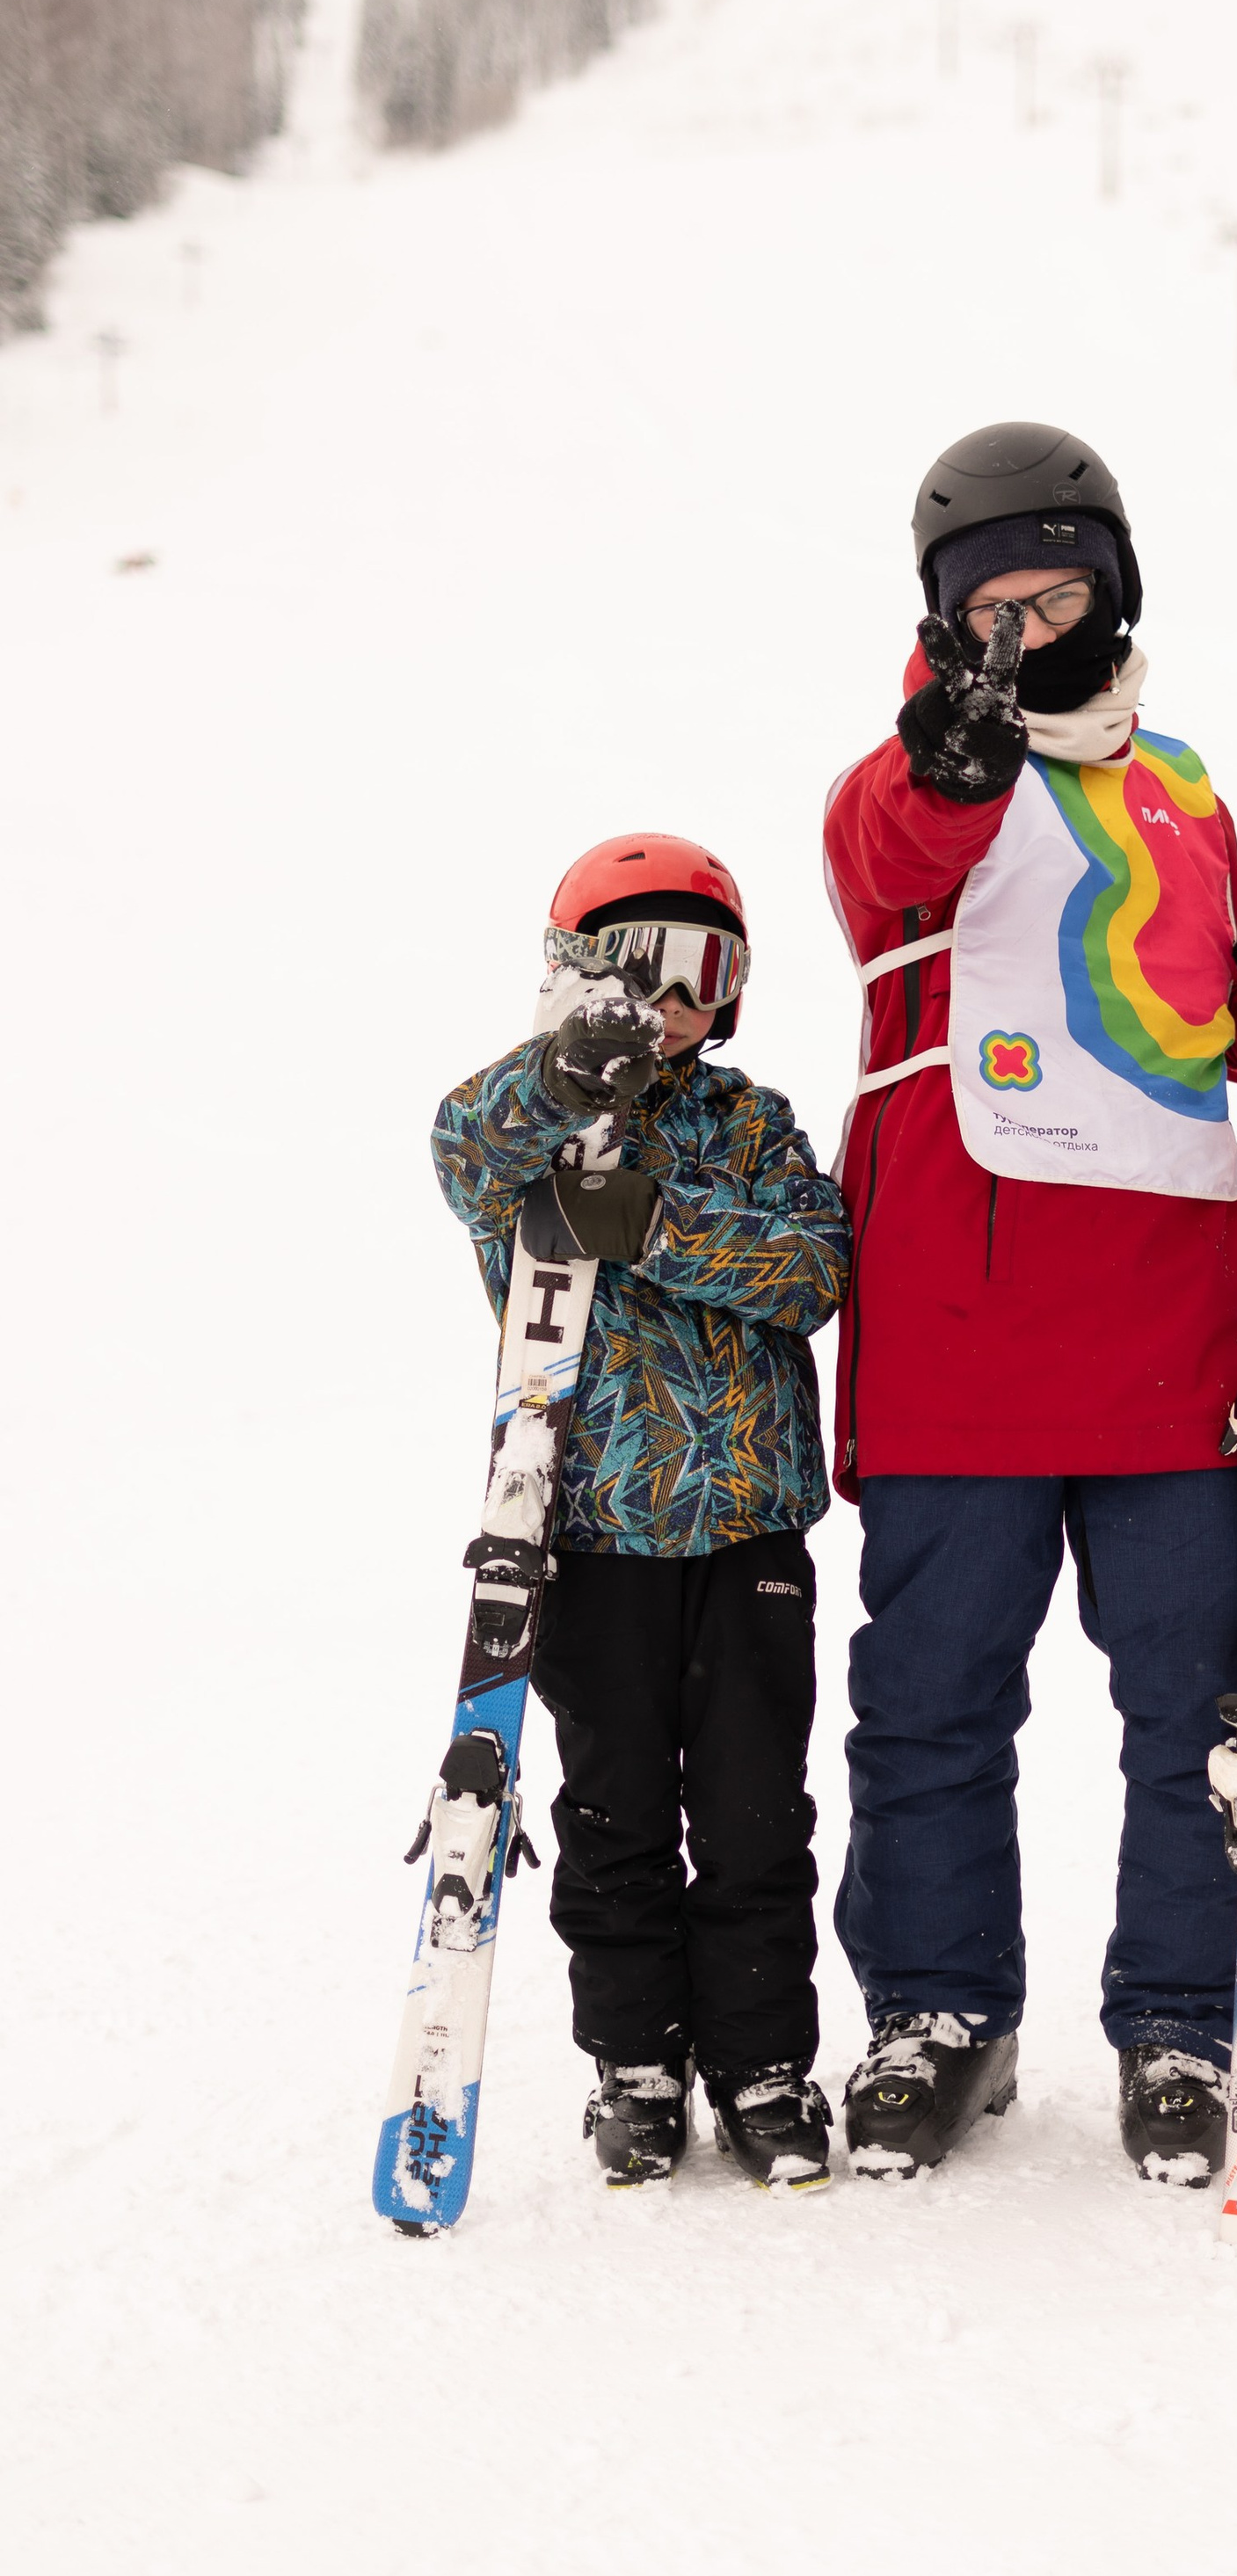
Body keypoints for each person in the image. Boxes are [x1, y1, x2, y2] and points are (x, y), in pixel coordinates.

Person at [821, 421, 1237, 2186]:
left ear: (1115, 589)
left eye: (1054, 592)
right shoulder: (904, 775)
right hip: (960, 1321)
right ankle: (939, 2013)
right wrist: (948, 749)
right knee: (930, 1697)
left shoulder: (1188, 790)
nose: (1022, 630)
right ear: (939, 624)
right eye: (984, 605)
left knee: (1195, 1707)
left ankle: (1177, 2021)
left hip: (1167, 1323)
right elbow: (890, 855)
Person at [432, 833, 851, 2191]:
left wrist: (655, 1225)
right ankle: (636, 2062)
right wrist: (561, 1077)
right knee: (614, 1813)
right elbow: (459, 1145)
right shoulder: (516, 1129)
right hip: (594, 1536)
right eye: (637, 971)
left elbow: (813, 1269)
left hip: (748, 1536)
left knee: (751, 1813)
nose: (671, 1004)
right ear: (575, 977)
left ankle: (764, 2066)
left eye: (701, 973)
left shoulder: (748, 1121)